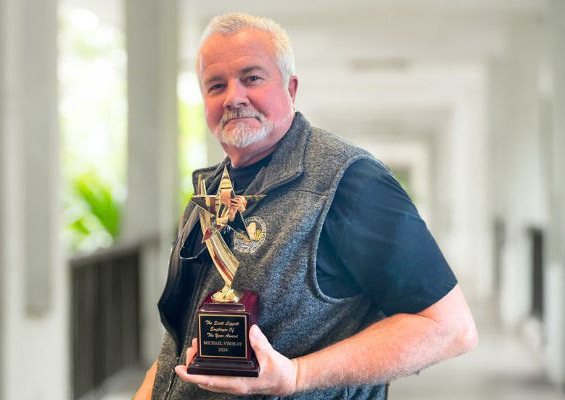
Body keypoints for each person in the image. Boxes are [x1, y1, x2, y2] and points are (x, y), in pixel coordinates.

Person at [135, 12, 477, 400]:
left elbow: (449, 328)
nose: (233, 97)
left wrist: (296, 374)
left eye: (251, 78)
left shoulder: (350, 182)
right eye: (216, 86)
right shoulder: (209, 192)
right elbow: (179, 337)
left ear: (290, 88)